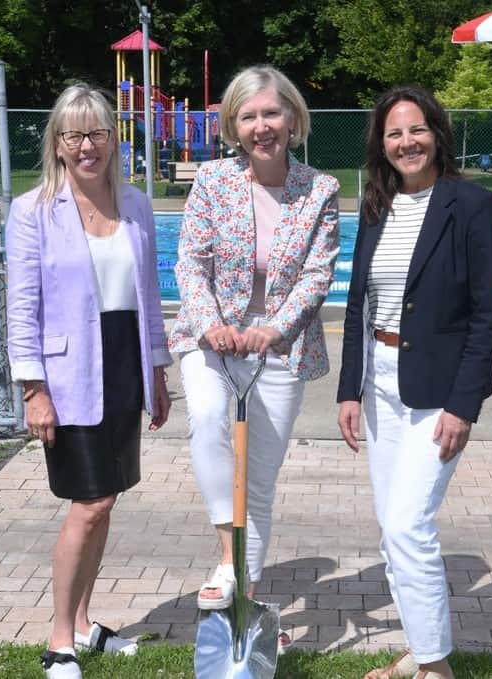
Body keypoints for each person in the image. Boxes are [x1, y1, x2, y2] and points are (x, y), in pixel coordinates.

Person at [336, 86, 492, 679]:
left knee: (409, 526)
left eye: (416, 130)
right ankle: (419, 649)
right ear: (380, 146)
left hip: (437, 392)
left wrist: (464, 404)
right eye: (393, 134)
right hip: (379, 385)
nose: (406, 142)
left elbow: (486, 316)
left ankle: (437, 667)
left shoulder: (474, 205)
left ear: (437, 134)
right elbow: (360, 303)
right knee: (392, 531)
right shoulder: (376, 205)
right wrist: (348, 389)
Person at [169, 65, 339, 652]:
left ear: (293, 119)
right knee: (210, 420)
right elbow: (190, 261)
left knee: (258, 481)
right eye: (249, 116)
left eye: (271, 113)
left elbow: (318, 275)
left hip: (280, 347)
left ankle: (245, 602)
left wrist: (274, 327)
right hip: (212, 338)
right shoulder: (213, 181)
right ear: (233, 126)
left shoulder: (321, 189)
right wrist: (214, 322)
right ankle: (227, 557)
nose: (261, 126)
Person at [5, 83, 171, 679]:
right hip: (69, 374)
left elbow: (148, 297)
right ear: (57, 143)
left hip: (125, 363)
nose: (85, 145)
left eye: (96, 131)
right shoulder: (32, 212)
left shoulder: (137, 205)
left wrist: (157, 368)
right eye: (72, 134)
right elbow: (22, 308)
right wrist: (33, 389)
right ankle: (59, 641)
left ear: (112, 137)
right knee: (90, 502)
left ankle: (82, 623)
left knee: (109, 499)